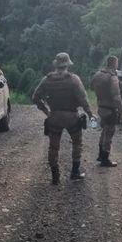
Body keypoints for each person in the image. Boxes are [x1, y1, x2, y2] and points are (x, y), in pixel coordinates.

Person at [32, 52, 93, 184]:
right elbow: (83, 99)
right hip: (72, 116)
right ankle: (75, 172)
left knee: (53, 147)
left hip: (54, 116)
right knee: (77, 143)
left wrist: (46, 110)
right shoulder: (74, 79)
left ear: (56, 64)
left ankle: (55, 176)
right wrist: (90, 113)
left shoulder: (47, 79)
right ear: (67, 64)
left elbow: (35, 97)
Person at [91, 55, 122, 167]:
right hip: (110, 109)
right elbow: (116, 97)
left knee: (104, 131)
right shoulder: (112, 77)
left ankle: (100, 155)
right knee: (109, 132)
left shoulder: (98, 75)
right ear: (114, 64)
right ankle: (105, 159)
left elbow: (92, 87)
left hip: (101, 107)